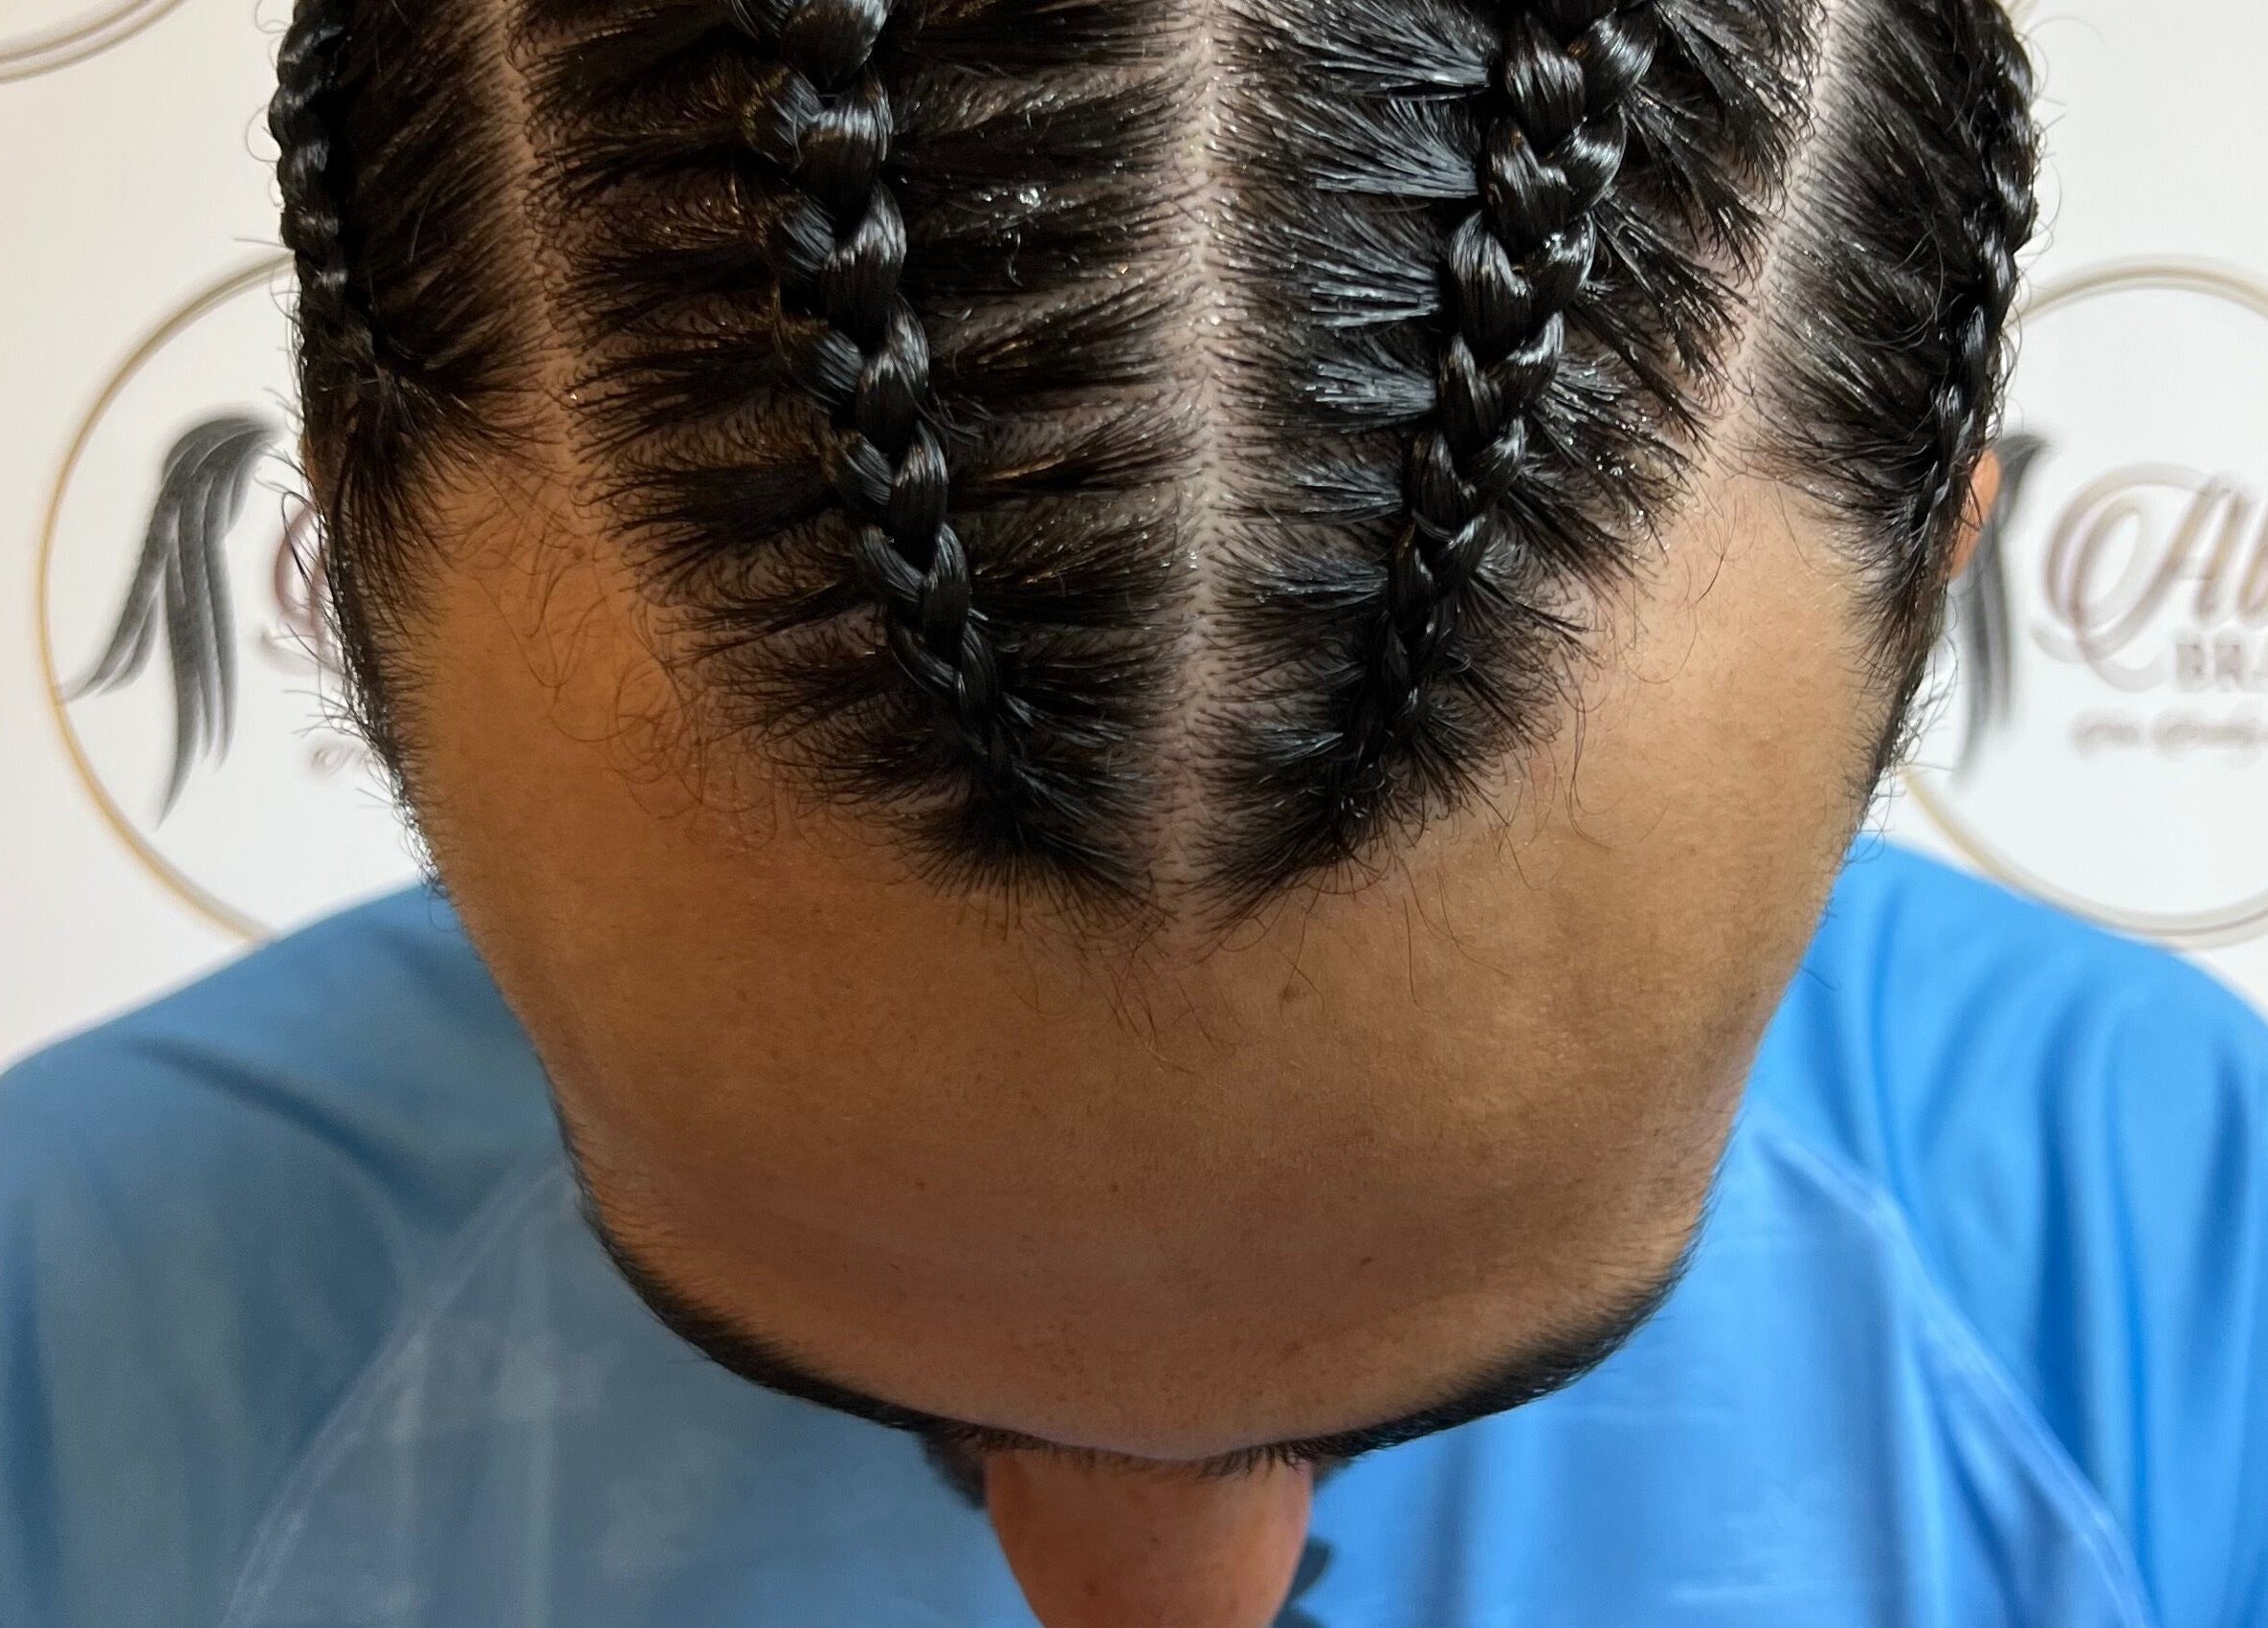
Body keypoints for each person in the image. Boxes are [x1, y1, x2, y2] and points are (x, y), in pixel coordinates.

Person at [4, 0, 2262, 1624]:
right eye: (867, 1387)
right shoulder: (59, 1348)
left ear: (1933, 602)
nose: (1155, 1607)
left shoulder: (2185, 1286)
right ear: (348, 606)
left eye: (1432, 1389)